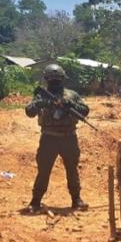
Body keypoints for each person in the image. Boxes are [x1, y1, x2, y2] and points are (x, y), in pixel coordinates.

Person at [25, 64, 90, 213]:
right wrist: (40, 103)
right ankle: (35, 202)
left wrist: (70, 104)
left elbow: (85, 111)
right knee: (44, 171)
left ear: (63, 80)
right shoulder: (41, 95)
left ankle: (76, 200)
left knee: (72, 170)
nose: (55, 82)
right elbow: (29, 111)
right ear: (47, 80)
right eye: (51, 80)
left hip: (69, 137)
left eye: (57, 79)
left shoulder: (72, 95)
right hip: (49, 138)